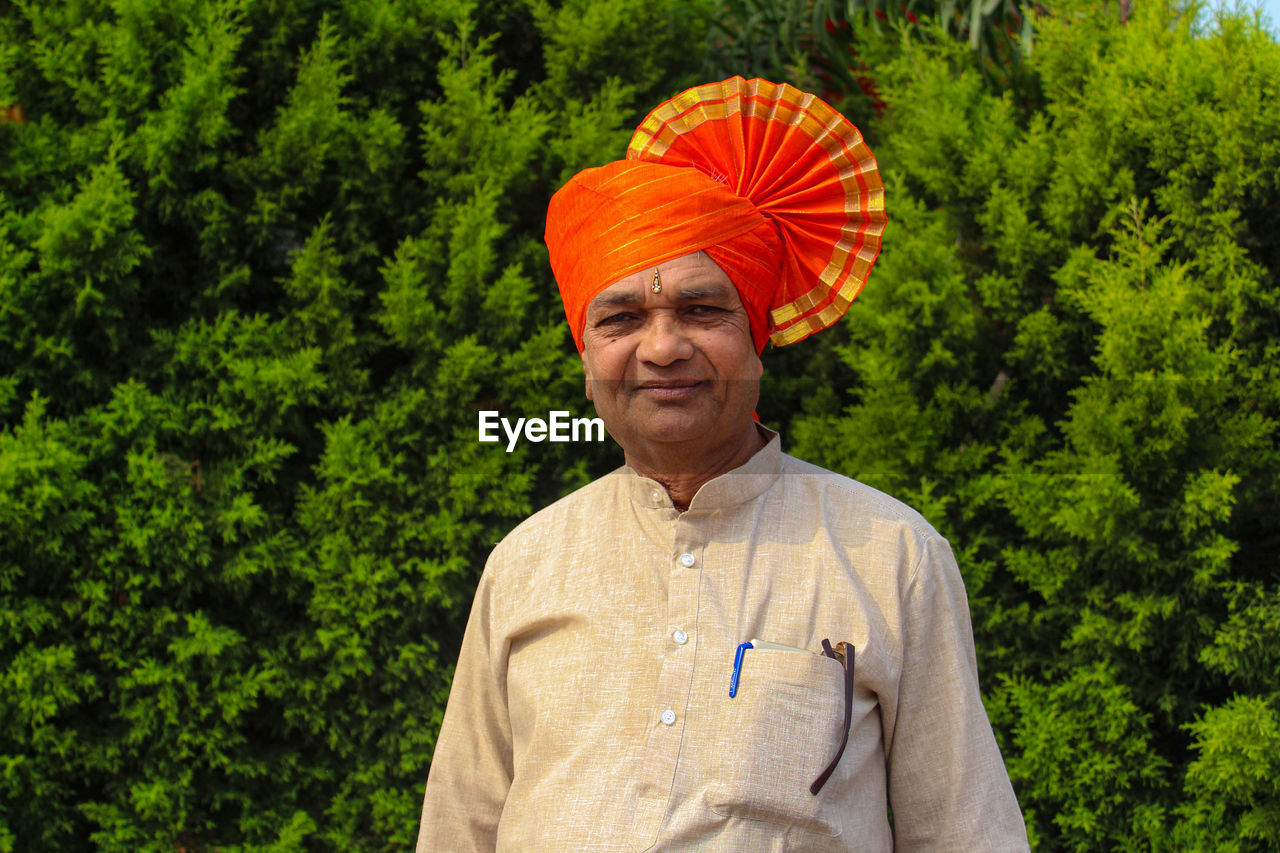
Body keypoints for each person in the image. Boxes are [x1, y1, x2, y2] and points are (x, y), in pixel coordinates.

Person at [417, 76, 1029, 852]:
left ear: (756, 337)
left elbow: (965, 833)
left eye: (703, 310)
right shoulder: (525, 564)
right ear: (585, 348)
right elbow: (457, 829)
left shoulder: (892, 555)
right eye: (623, 317)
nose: (664, 346)